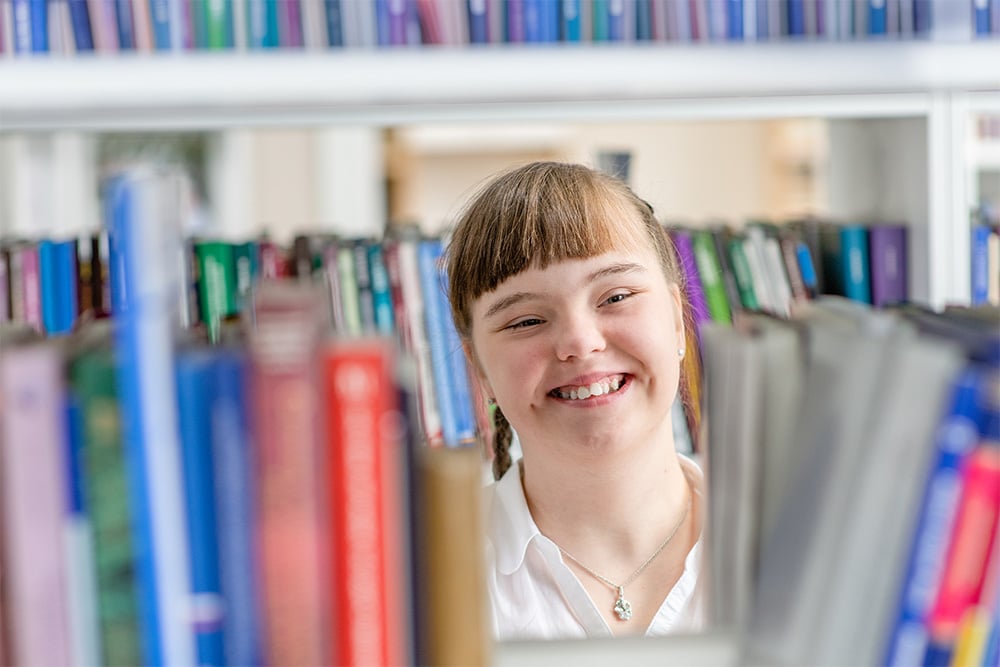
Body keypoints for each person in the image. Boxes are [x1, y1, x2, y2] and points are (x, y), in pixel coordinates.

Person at [445, 161, 706, 640]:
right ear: (478, 368)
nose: (580, 343)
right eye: (525, 321)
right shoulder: (423, 579)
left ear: (675, 320)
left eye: (616, 296)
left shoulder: (792, 548)